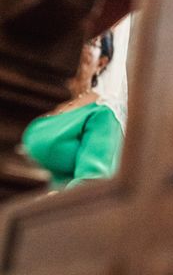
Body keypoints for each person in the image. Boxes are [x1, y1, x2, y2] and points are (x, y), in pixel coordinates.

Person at [22, 30, 125, 190]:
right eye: (79, 39)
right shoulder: (40, 100)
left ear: (101, 62)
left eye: (91, 42)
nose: (81, 46)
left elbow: (91, 185)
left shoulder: (103, 112)